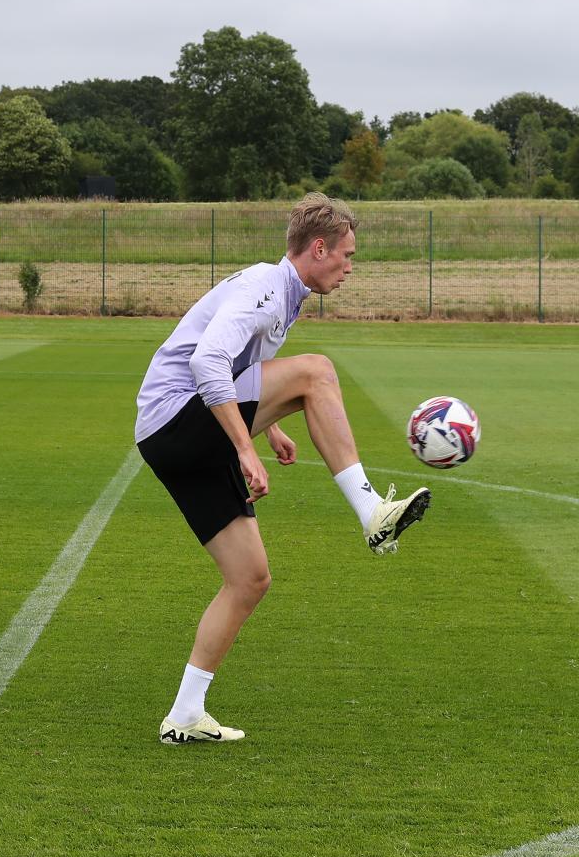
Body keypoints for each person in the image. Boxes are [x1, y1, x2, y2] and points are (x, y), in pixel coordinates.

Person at [134, 192, 431, 745]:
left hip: (173, 435)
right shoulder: (266, 290)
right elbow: (207, 361)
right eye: (346, 255)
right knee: (316, 372)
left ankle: (185, 715)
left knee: (249, 580)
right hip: (176, 420)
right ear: (318, 249)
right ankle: (372, 510)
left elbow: (244, 366)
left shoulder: (285, 296)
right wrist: (246, 447)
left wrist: (268, 426)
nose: (349, 268)